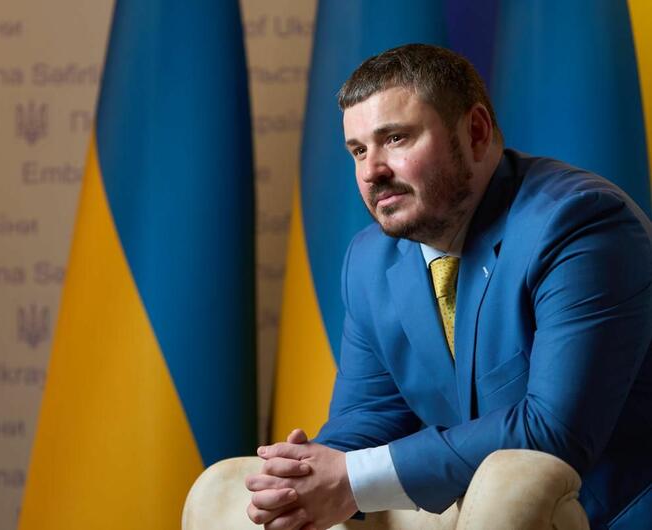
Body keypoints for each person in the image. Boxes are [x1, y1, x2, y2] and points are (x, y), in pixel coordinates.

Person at [245, 44, 652, 530]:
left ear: (475, 132)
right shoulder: (370, 258)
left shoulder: (579, 223)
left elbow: (552, 433)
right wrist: (303, 479)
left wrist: (353, 478)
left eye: (395, 138)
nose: (372, 171)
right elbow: (371, 414)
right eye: (358, 150)